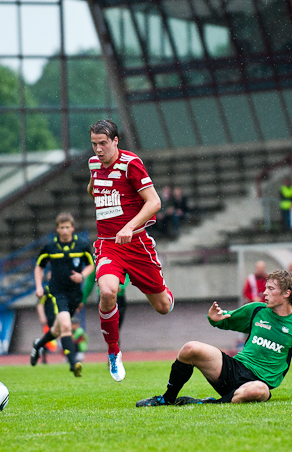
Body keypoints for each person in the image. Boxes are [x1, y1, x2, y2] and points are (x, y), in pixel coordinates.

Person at [135, 270, 292, 406]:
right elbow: (226, 319)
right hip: (233, 369)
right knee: (190, 348)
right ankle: (166, 399)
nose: (264, 292)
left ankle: (204, 403)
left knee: (258, 390)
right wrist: (215, 319)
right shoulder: (257, 310)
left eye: (271, 289)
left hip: (259, 383)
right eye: (265, 287)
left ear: (287, 293)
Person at [87, 119, 175, 382]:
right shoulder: (93, 164)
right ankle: (114, 352)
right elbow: (93, 188)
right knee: (107, 291)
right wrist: (96, 191)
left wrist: (129, 226)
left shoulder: (130, 163)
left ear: (115, 141)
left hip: (136, 244)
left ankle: (166, 293)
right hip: (107, 244)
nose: (98, 150)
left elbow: (154, 202)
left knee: (163, 307)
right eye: (94, 144)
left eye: (103, 143)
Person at [30, 213, 95, 377]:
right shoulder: (50, 248)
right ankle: (74, 364)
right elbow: (39, 267)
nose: (65, 230)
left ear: (72, 228)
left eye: (67, 227)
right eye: (61, 227)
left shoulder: (81, 245)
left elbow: (91, 265)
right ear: (57, 229)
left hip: (75, 293)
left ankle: (38, 344)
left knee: (58, 330)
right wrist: (38, 286)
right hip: (57, 292)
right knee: (66, 326)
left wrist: (82, 275)